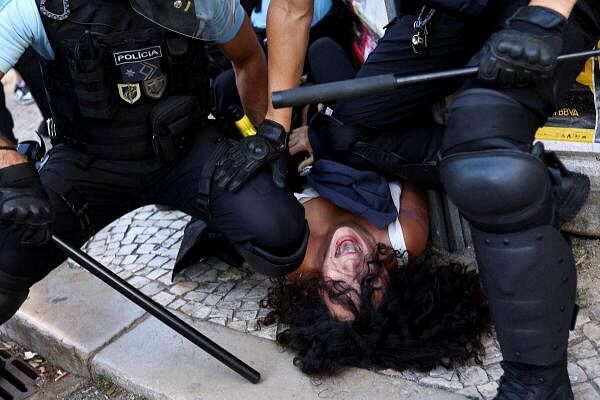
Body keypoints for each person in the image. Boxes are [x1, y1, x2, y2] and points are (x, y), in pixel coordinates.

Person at [213, 0, 599, 398]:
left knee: (482, 155)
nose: (351, 266)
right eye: (367, 282)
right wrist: (280, 135)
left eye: (340, 287)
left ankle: (535, 382)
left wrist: (546, 14)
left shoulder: (296, 249)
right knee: (353, 131)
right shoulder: (397, 241)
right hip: (448, 11)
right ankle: (529, 184)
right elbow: (293, 8)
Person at [0, 0, 309, 343]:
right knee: (5, 257)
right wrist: (9, 163)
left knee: (281, 234)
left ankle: (217, 226)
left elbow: (248, 58)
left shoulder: (198, 3)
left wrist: (263, 141)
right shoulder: (40, 8)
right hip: (89, 165)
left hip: (187, 151)